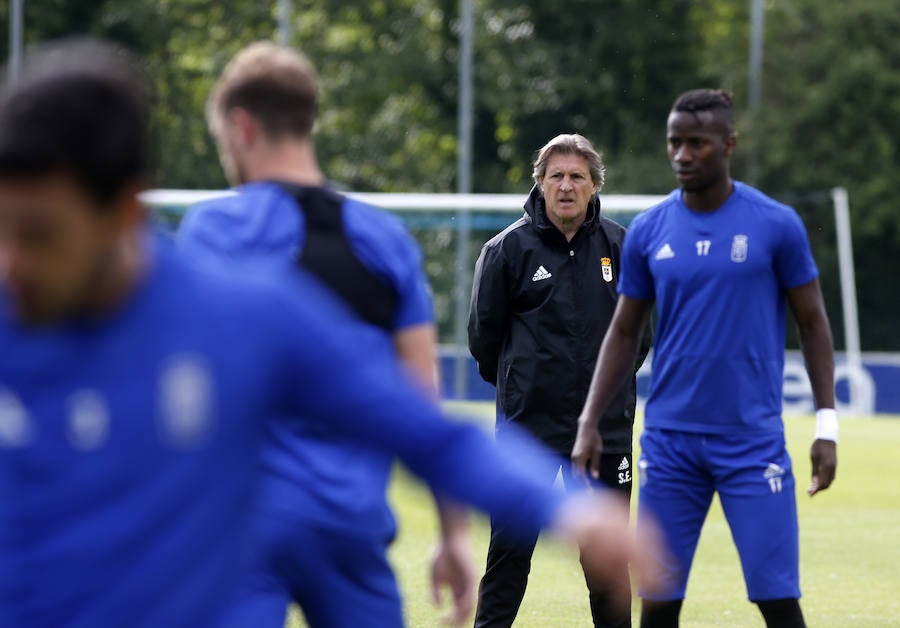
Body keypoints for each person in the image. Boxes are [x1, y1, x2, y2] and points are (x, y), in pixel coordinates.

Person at [0, 38, 665, 628]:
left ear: (123, 210)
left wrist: (571, 512)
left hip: (302, 538)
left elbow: (420, 425)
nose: (12, 263)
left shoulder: (239, 305)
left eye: (37, 235)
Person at [176, 42, 474, 627]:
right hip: (349, 526)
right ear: (308, 121)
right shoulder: (384, 241)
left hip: (243, 529)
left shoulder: (212, 230)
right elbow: (424, 401)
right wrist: (454, 535)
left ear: (240, 127)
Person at [571, 89, 838, 628]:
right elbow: (625, 331)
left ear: (728, 145)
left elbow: (812, 323)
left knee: (777, 600)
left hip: (752, 442)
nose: (683, 155)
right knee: (660, 603)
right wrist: (589, 421)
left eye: (697, 143)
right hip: (670, 445)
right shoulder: (649, 230)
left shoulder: (776, 224)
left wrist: (826, 424)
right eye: (675, 143)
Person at [468, 133, 649, 628]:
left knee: (607, 564)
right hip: (527, 433)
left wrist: (603, 396)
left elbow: (639, 339)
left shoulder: (624, 247)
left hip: (607, 434)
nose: (566, 186)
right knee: (509, 555)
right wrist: (525, 389)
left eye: (577, 177)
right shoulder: (506, 251)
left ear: (594, 186)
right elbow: (485, 341)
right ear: (541, 184)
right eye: (556, 176)